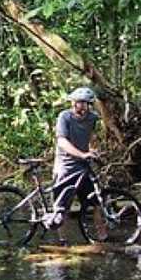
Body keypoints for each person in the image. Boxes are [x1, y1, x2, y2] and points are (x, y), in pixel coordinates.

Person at [48, 86, 103, 233]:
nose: (84, 107)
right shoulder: (64, 117)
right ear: (73, 103)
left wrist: (92, 150)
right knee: (63, 207)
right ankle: (62, 242)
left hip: (83, 166)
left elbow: (91, 135)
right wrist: (82, 154)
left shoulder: (92, 118)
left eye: (87, 103)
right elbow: (62, 142)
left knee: (95, 201)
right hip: (65, 166)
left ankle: (102, 235)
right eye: (81, 103)